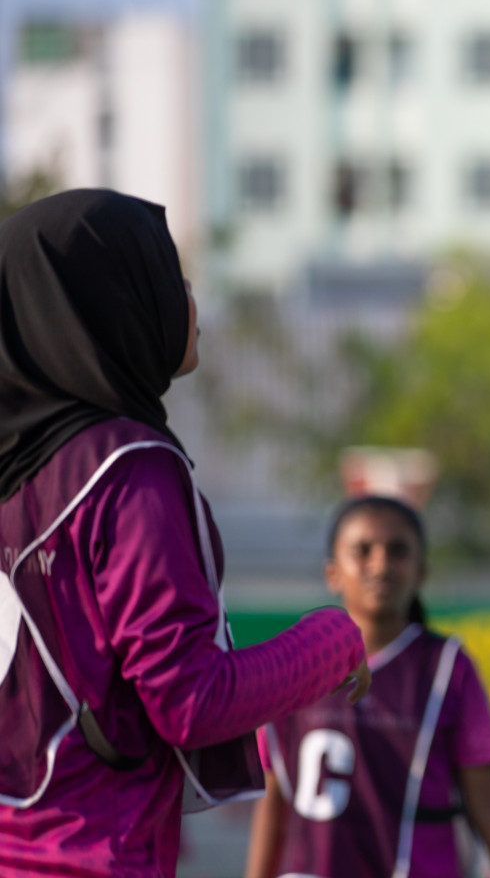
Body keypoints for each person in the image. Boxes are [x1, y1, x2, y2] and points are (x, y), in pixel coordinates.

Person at [0, 190, 370, 877]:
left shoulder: (16, 471)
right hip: (86, 855)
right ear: (113, 302)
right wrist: (335, 638)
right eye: (167, 275)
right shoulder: (126, 470)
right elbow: (192, 703)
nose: (188, 296)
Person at [246, 495, 490, 878]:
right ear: (332, 573)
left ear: (421, 572)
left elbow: (485, 797)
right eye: (362, 550)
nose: (380, 564)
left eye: (397, 551)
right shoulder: (297, 666)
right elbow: (274, 795)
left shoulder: (445, 666)